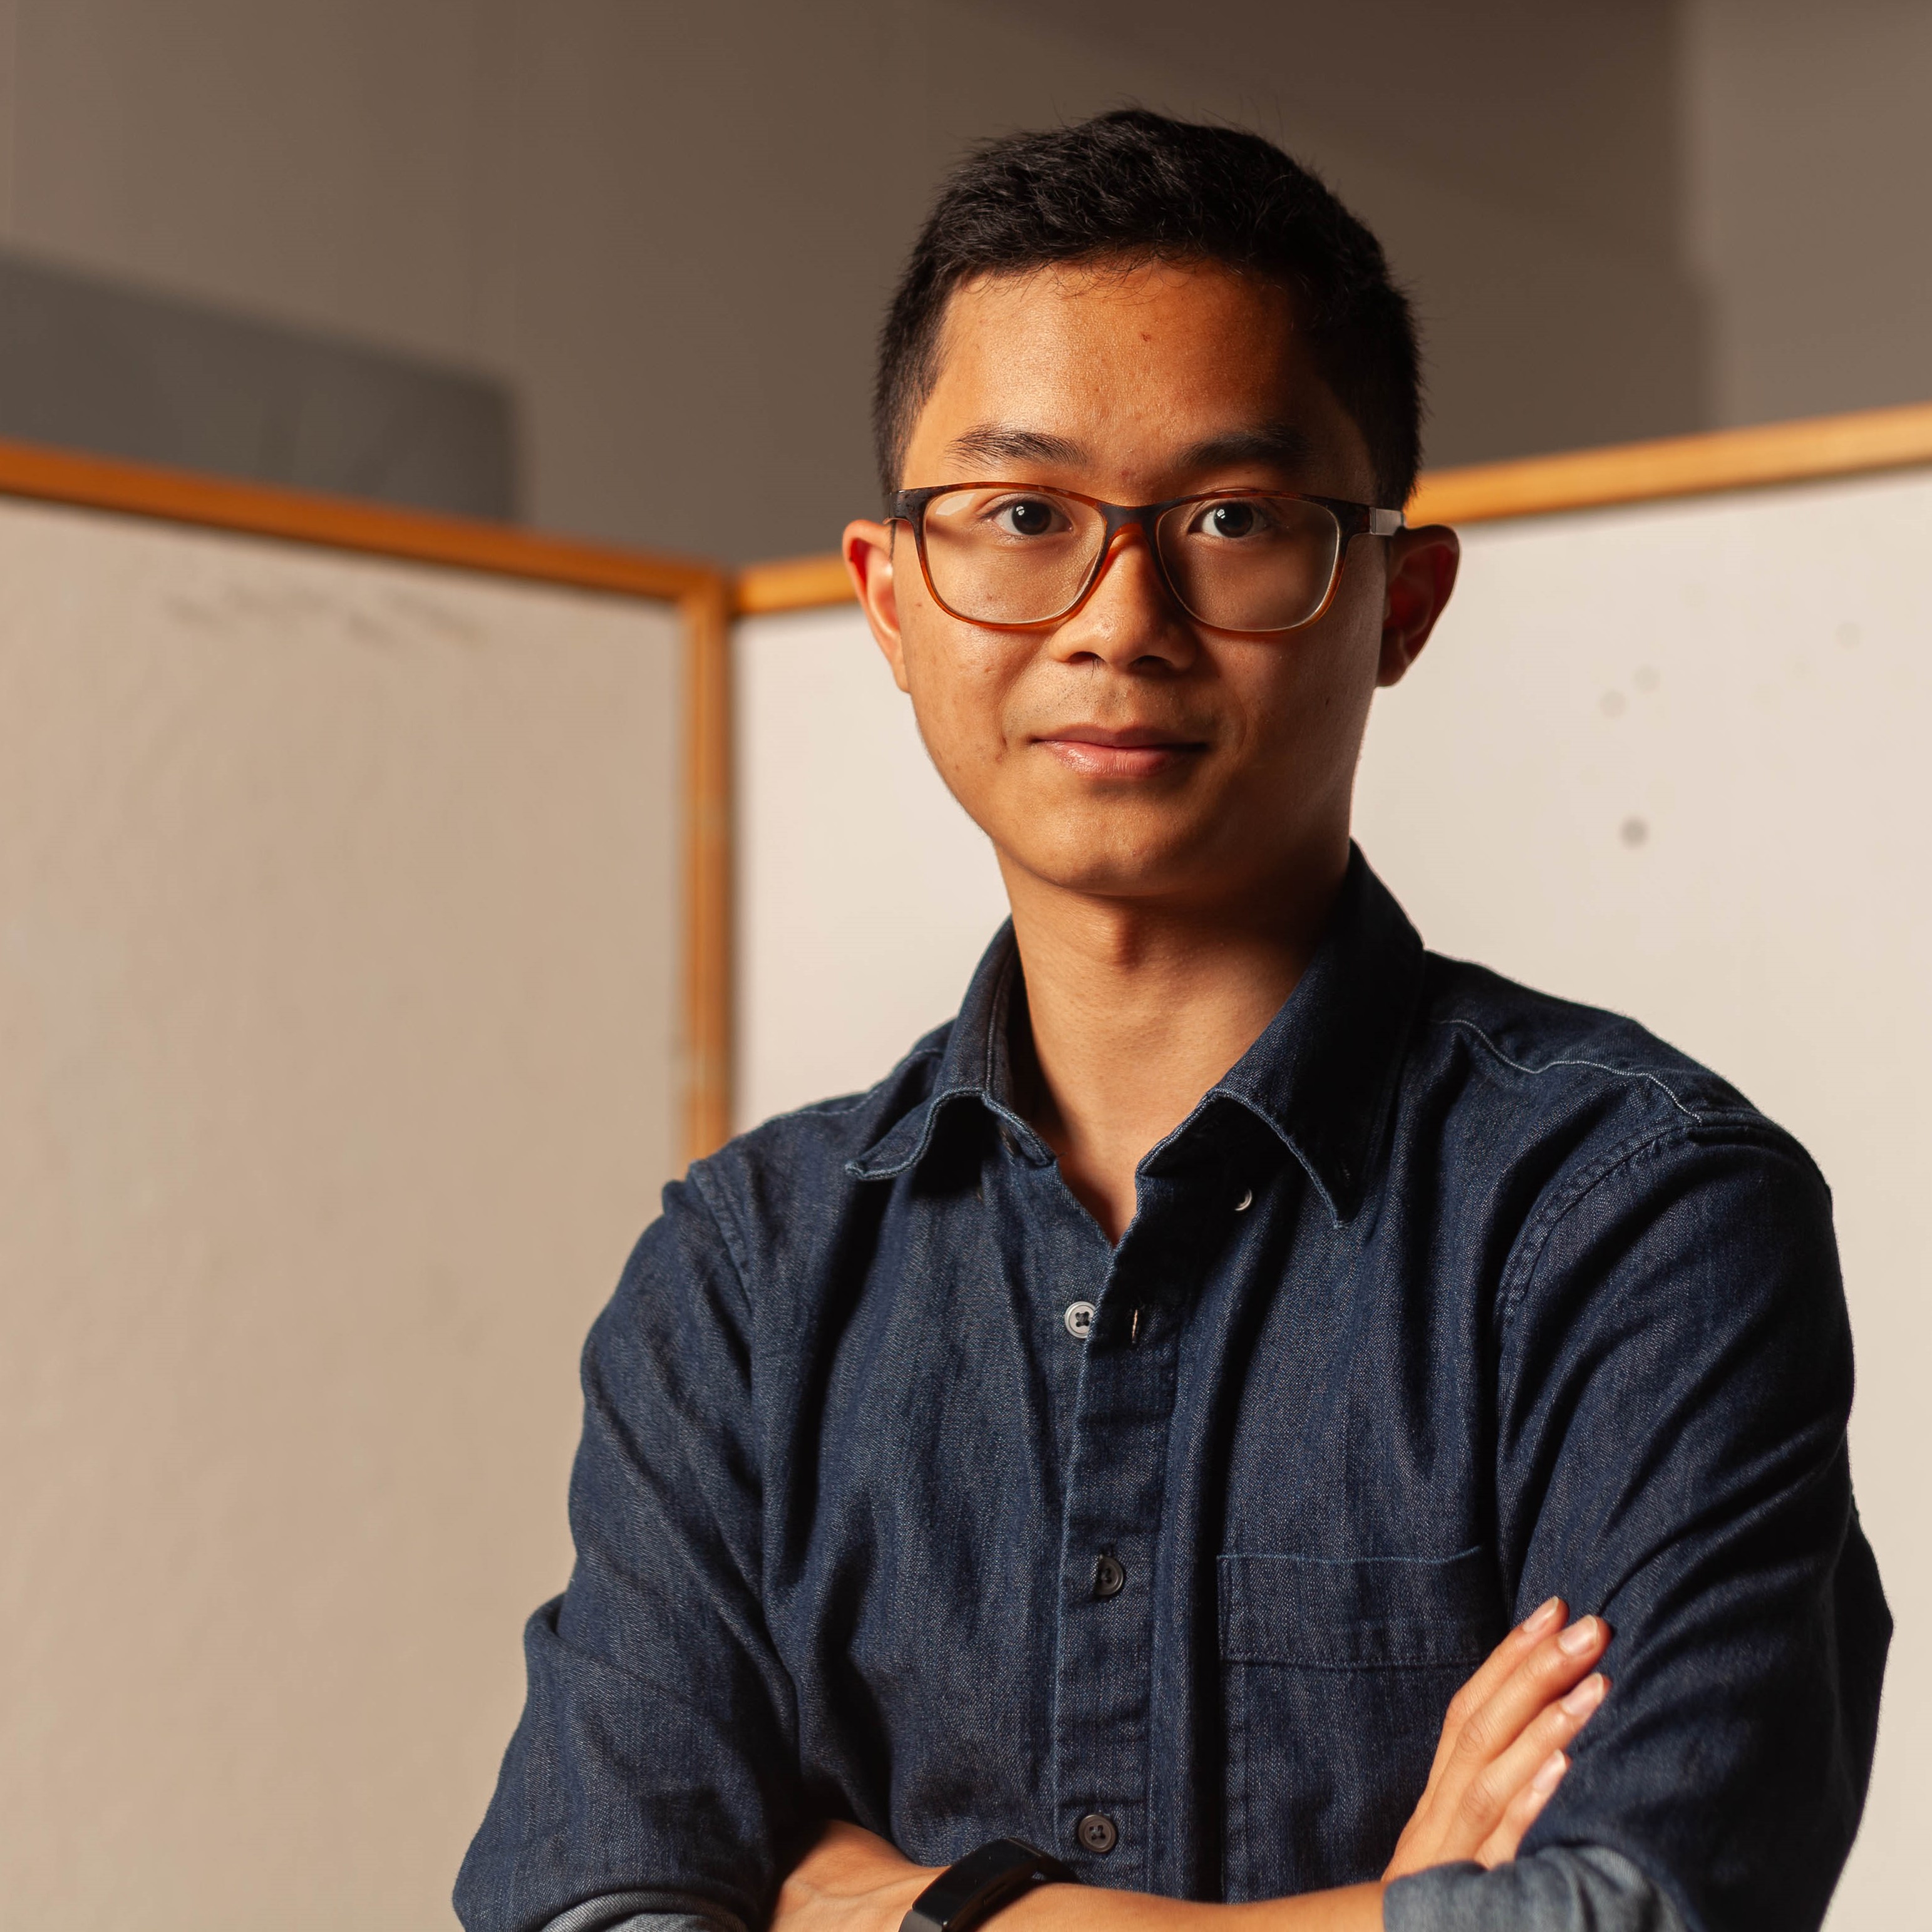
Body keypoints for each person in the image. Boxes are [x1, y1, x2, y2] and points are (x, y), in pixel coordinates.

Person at [456, 111, 1888, 1932]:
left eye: (1230, 519)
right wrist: (1391, 1910)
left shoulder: (1633, 1218)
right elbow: (586, 1907)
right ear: (891, 603)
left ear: (1400, 598)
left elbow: (1643, 1911)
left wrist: (909, 1909)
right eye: (1025, 517)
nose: (1118, 620)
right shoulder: (744, 1282)